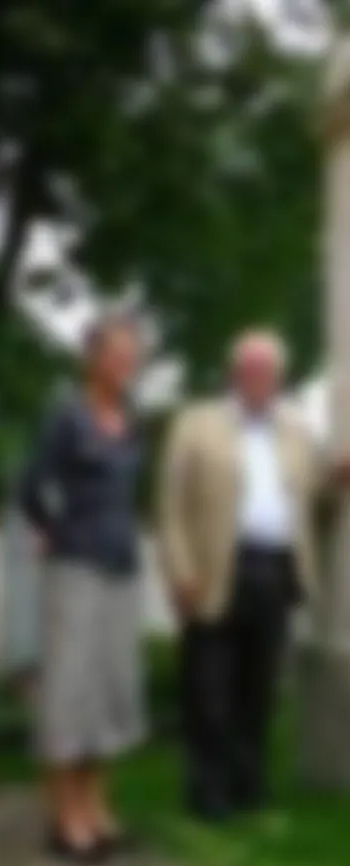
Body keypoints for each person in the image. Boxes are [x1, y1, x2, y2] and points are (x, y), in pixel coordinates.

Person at [157, 328, 348, 821]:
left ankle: (249, 786)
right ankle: (209, 792)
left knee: (258, 689)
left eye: (270, 373)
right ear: (235, 375)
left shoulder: (294, 432)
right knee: (209, 689)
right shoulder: (197, 426)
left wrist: (336, 481)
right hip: (216, 571)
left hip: (276, 572)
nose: (261, 380)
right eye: (252, 371)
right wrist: (181, 572)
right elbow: (172, 507)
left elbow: (315, 503)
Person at [18, 312, 147, 863]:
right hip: (75, 573)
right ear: (93, 359)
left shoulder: (129, 419)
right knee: (70, 696)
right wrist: (52, 530)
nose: (125, 364)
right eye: (116, 354)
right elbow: (30, 486)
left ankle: (96, 809)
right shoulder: (67, 416)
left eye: (131, 355)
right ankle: (66, 819)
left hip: (120, 569)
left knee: (108, 694)